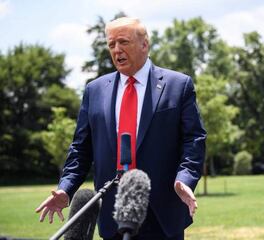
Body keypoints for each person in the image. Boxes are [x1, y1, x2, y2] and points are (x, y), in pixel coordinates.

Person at [36, 17, 206, 240]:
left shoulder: (178, 85)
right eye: (111, 44)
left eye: (123, 42)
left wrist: (184, 179)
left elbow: (193, 140)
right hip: (112, 214)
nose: (116, 50)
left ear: (144, 44)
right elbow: (80, 149)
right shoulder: (94, 90)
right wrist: (65, 189)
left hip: (162, 213)